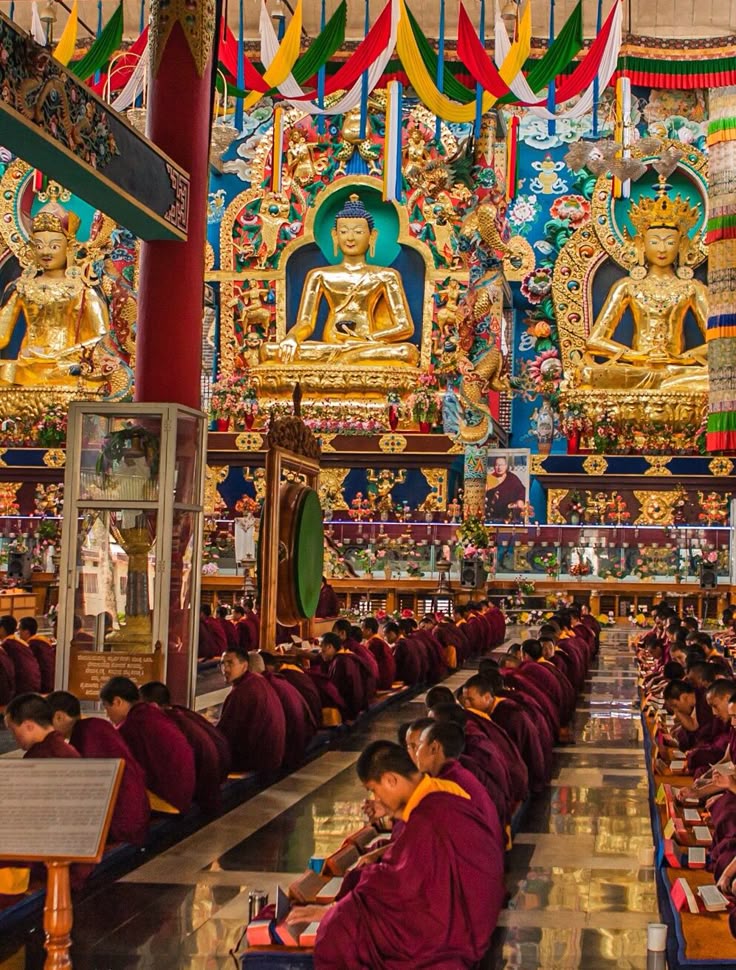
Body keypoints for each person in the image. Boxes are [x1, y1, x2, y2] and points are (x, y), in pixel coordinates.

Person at [286, 741, 504, 969]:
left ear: (391, 780)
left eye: (374, 789)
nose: (375, 798)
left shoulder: (428, 818)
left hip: (454, 928)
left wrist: (336, 911)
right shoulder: (439, 795)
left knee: (340, 929)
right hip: (478, 914)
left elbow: (400, 885)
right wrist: (392, 811)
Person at [47, 690, 150, 844]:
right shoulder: (97, 725)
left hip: (123, 818)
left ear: (59, 716)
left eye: (47, 723)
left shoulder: (85, 734)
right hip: (138, 808)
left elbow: (87, 788)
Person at [99, 676, 196, 813]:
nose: (107, 715)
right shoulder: (150, 713)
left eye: (106, 707)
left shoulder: (132, 725)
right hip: (184, 793)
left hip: (170, 799)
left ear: (117, 701)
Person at [139, 681, 231, 814]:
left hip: (201, 787)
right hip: (216, 776)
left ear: (152, 706)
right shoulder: (181, 714)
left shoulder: (165, 723)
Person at [414, 719, 503, 848]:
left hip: (479, 851)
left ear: (434, 748)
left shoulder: (444, 786)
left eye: (418, 745)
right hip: (491, 847)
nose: (415, 753)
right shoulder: (459, 773)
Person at [462, 673, 549, 792]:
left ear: (487, 697)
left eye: (470, 700)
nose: (466, 705)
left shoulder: (508, 715)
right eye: (464, 700)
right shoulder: (494, 710)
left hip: (528, 775)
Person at [217, 645, 286, 775]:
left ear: (244, 666)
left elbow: (226, 733)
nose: (225, 669)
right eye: (222, 664)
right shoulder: (257, 681)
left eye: (230, 663)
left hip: (258, 760)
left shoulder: (243, 691)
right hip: (273, 755)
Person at [5, 693, 78, 759]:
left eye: (13, 730)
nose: (13, 737)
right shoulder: (67, 748)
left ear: (29, 726)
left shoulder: (39, 756)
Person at [318, 632, 367, 721]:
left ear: (329, 647)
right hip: (357, 705)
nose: (320, 651)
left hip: (348, 709)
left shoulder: (340, 662)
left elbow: (334, 691)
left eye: (321, 647)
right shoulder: (345, 656)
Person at [0, 615, 41, 695]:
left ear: (2, 629)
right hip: (35, 685)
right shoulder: (17, 642)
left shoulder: (8, 644)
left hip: (23, 689)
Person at [18, 616, 55, 694]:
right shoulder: (43, 642)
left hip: (42, 686)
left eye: (19, 630)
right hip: (52, 683)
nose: (18, 634)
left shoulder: (33, 645)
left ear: (26, 632)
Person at [485, 455, 526, 522]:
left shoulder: (512, 478)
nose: (499, 467)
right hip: (493, 514)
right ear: (494, 467)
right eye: (497, 465)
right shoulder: (489, 478)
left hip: (509, 513)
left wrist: (520, 501)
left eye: (501, 465)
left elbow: (521, 491)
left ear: (506, 466)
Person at [361, 617, 396, 691]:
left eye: (362, 628)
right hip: (388, 680)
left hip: (382, 681)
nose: (361, 631)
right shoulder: (378, 641)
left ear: (369, 630)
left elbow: (369, 665)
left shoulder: (373, 643)